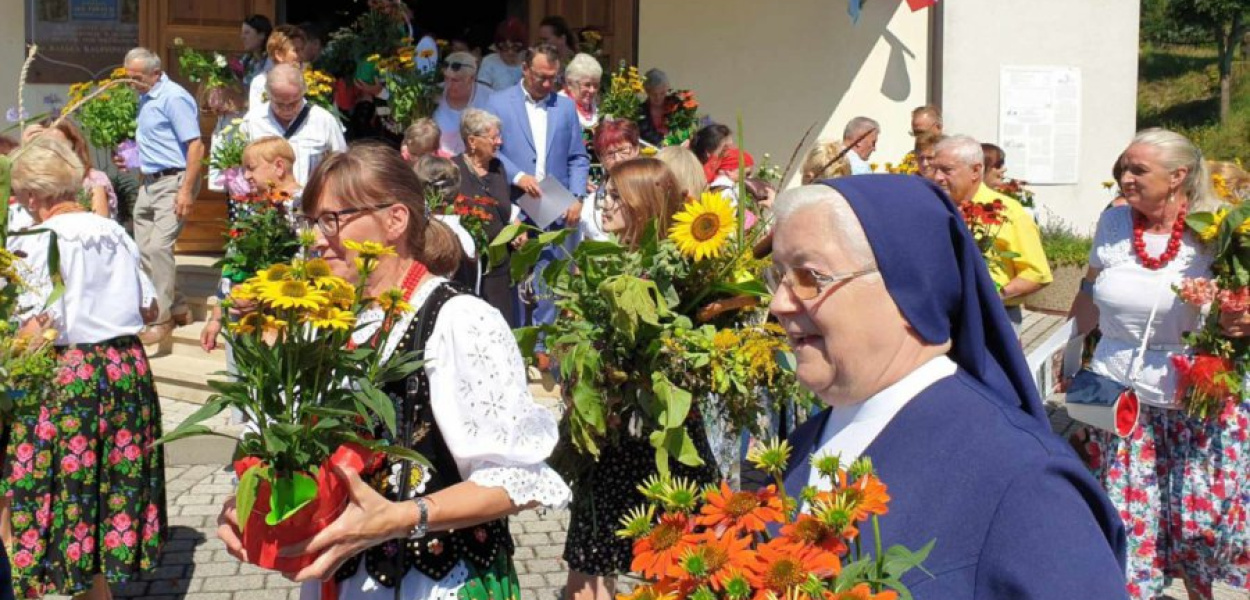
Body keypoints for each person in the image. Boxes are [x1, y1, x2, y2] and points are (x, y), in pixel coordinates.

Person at [213, 144, 571, 600]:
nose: (318, 238)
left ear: (395, 220)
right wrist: (257, 502)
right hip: (342, 579)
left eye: (332, 219)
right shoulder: (328, 325)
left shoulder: (459, 319)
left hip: (435, 579)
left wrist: (402, 517)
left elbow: (518, 482)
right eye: (311, 222)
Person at [772, 175, 1128, 599]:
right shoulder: (804, 443)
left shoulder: (1027, 483)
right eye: (776, 276)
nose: (779, 303)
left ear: (910, 287)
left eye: (810, 278)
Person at [1071, 129, 1250, 600]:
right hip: (1122, 395)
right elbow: (1090, 290)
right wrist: (1068, 351)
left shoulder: (1221, 230)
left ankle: (1200, 589)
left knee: (1201, 518)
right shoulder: (1112, 224)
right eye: (1122, 169)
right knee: (1130, 511)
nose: (1124, 179)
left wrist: (1241, 320)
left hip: (1198, 394)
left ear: (1178, 177)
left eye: (1137, 170)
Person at [4, 136, 166, 600]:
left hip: (70, 376)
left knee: (54, 488)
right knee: (101, 489)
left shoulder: (39, 240)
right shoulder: (112, 230)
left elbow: (36, 328)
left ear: (34, 196)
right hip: (126, 369)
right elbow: (151, 309)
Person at [564, 157, 719, 600]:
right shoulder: (598, 267)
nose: (605, 204)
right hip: (610, 443)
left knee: (679, 570)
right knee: (588, 574)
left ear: (645, 205)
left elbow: (687, 361)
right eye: (605, 193)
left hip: (664, 443)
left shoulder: (681, 276)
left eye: (616, 196)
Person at [486, 43, 590, 354]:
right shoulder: (499, 102)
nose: (547, 84)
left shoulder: (565, 107)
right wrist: (518, 176)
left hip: (556, 201)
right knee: (515, 276)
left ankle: (546, 348)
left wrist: (577, 196)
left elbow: (578, 157)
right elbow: (493, 150)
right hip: (515, 200)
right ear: (525, 70)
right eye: (541, 77)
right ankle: (518, 346)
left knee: (551, 275)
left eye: (552, 79)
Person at [122, 46, 205, 346]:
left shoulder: (174, 97)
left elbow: (196, 146)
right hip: (150, 181)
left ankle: (162, 319)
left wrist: (186, 190)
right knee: (143, 248)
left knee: (158, 247)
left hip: (174, 180)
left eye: (137, 78)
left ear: (155, 73)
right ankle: (179, 304)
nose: (132, 83)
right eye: (128, 77)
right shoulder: (146, 96)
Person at [930, 135, 1051, 329]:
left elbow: (1037, 273)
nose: (937, 177)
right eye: (934, 168)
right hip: (941, 316)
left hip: (993, 317)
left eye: (947, 170)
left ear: (975, 171)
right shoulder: (932, 207)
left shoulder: (1007, 211)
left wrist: (992, 295)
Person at [200, 136, 303, 352]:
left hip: (285, 324)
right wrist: (216, 318)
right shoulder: (250, 208)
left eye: (251, 168)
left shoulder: (305, 207)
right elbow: (231, 265)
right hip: (239, 319)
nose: (246, 176)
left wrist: (264, 297)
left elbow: (304, 266)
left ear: (279, 166)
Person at [453, 108, 516, 325]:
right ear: (472, 141)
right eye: (493, 137)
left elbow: (507, 207)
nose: (499, 142)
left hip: (499, 266)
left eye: (499, 136)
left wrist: (516, 227)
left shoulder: (498, 168)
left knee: (501, 323)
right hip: (468, 267)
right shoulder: (454, 170)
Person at [240, 64, 347, 186]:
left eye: (294, 102)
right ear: (268, 95)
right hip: (265, 202)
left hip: (312, 200)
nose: (287, 109)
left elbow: (342, 165)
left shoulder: (323, 120)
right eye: (279, 103)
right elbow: (239, 168)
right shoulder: (252, 121)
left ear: (304, 91)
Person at [582, 119, 641, 243]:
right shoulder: (591, 204)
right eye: (609, 154)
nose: (618, 159)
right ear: (600, 158)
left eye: (623, 150)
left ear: (636, 149)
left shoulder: (651, 189)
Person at [47, 120, 117, 219]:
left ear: (73, 145)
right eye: (47, 145)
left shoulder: (92, 179)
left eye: (59, 145)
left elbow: (100, 222)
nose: (54, 150)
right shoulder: (40, 183)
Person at [432, 53, 494, 156]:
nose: (449, 84)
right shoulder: (434, 94)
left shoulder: (489, 98)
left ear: (471, 78)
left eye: (455, 80)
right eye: (446, 78)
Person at [247, 26, 304, 115]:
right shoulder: (261, 82)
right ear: (279, 55)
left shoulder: (308, 79)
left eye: (302, 50)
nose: (301, 55)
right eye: (295, 50)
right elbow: (255, 118)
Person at [477, 17, 526, 92]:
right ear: (497, 46)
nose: (510, 52)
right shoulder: (489, 62)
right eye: (504, 47)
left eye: (515, 47)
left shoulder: (530, 60)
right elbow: (482, 95)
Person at [561, 53, 602, 131]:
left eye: (596, 85)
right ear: (570, 83)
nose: (592, 90)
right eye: (587, 85)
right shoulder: (560, 107)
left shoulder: (596, 106)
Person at [637, 68, 670, 147]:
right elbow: (646, 134)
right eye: (654, 94)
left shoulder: (674, 106)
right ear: (647, 92)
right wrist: (664, 143)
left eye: (662, 93)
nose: (658, 97)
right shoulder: (641, 111)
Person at [240, 14, 273, 88]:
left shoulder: (271, 60)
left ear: (262, 35)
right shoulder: (246, 59)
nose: (242, 37)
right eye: (242, 33)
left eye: (247, 33)